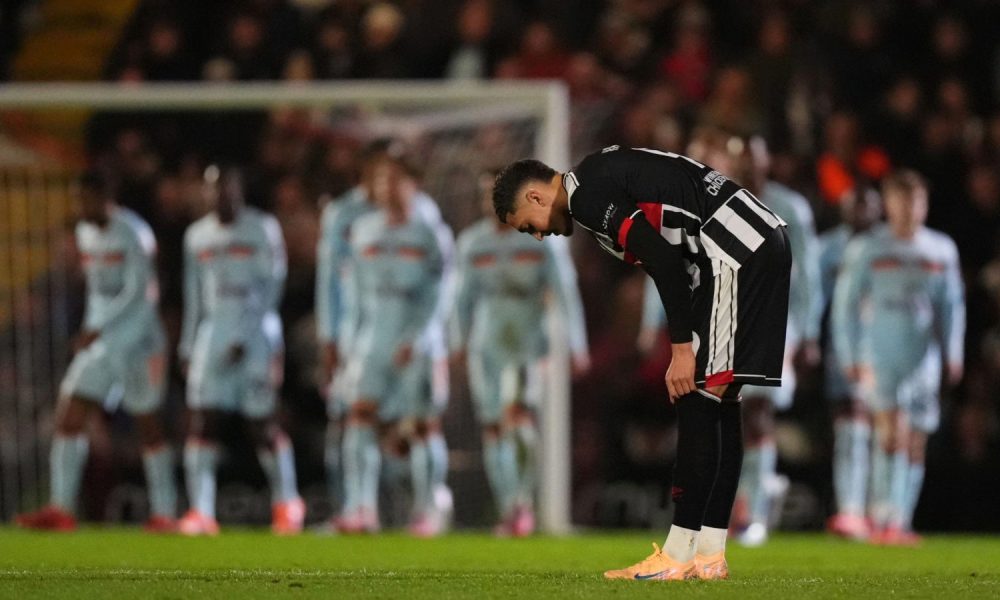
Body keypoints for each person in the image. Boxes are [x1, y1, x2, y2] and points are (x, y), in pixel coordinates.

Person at [493, 145, 791, 580]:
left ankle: (678, 553)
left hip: (735, 251)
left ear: (536, 197)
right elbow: (672, 255)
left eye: (528, 226)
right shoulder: (597, 175)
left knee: (699, 398)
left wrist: (681, 349)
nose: (538, 235)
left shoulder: (587, 196)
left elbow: (664, 259)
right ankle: (708, 554)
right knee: (720, 401)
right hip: (746, 244)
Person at [16, 171, 177, 533]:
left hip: (138, 339)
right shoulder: (85, 233)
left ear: (107, 196)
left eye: (87, 199)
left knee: (148, 425)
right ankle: (61, 508)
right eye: (78, 200)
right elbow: (97, 293)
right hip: (101, 341)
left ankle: (165, 512)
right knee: (69, 414)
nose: (81, 207)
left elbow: (142, 293)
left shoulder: (135, 234)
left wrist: (98, 327)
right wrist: (92, 328)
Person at [315, 140, 448, 531]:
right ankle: (361, 509)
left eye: (394, 178)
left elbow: (440, 292)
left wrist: (421, 338)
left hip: (414, 342)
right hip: (371, 338)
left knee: (420, 425)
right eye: (380, 179)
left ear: (412, 183)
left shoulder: (429, 233)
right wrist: (347, 339)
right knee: (359, 418)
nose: (386, 186)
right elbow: (353, 294)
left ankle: (427, 510)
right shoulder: (363, 230)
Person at [451, 171, 590, 537]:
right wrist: (457, 342)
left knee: (518, 419)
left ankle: (521, 502)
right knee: (495, 427)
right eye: (485, 195)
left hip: (528, 340)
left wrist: (577, 344)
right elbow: (461, 299)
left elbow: (565, 291)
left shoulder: (541, 235)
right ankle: (509, 506)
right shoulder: (472, 243)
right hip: (487, 341)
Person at [832, 169, 964, 545]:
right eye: (901, 201)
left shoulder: (940, 249)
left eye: (916, 201)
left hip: (923, 359)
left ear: (924, 205)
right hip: (880, 353)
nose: (909, 209)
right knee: (891, 431)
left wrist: (953, 351)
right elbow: (846, 306)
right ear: (888, 204)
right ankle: (882, 514)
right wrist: (849, 353)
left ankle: (900, 519)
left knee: (916, 439)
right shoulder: (869, 248)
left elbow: (951, 305)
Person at [177, 165, 304, 536]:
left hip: (257, 337)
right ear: (206, 193)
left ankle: (288, 503)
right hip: (212, 335)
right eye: (216, 191)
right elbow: (193, 295)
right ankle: (200, 511)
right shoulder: (196, 236)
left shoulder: (262, 229)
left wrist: (246, 337)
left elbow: (272, 289)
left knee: (261, 424)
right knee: (203, 421)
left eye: (230, 190)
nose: (224, 197)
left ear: (240, 192)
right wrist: (188, 343)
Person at [819, 182, 882, 540]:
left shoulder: (889, 246)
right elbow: (816, 301)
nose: (861, 213)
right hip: (843, 350)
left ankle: (881, 509)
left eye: (868, 206)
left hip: (884, 351)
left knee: (883, 429)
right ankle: (850, 509)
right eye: (854, 206)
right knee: (849, 428)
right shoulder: (829, 248)